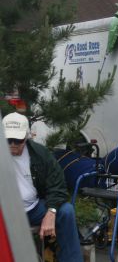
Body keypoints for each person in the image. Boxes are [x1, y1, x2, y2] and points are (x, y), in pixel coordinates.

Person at [2, 112, 83, 262]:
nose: (12, 144)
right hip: (5, 212)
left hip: (32, 208)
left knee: (66, 211)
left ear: (26, 137)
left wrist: (51, 212)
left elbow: (58, 186)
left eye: (17, 139)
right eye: (8, 139)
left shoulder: (40, 154)